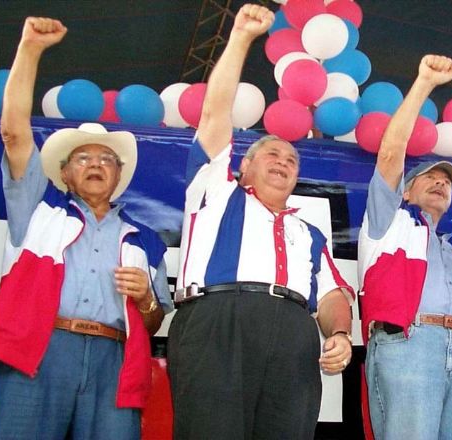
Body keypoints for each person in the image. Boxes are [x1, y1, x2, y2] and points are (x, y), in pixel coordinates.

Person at [165, 4, 355, 439]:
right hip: (218, 320)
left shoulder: (307, 233)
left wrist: (341, 334)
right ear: (243, 167)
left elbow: (329, 296)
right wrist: (240, 38)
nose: (283, 161)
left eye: (291, 159)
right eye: (271, 153)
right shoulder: (215, 193)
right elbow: (214, 116)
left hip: (292, 331)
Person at [0, 17, 173, 439]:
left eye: (106, 159)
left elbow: (152, 321)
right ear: (64, 175)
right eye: (83, 158)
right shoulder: (38, 208)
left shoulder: (145, 239)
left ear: (117, 174)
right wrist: (31, 48)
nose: (95, 164)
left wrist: (146, 299)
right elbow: (14, 133)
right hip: (38, 351)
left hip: (115, 361)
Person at [357, 54, 452, 440]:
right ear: (406, 190)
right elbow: (390, 153)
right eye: (428, 178)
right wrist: (424, 84)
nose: (439, 183)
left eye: (446, 181)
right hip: (409, 343)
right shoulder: (390, 224)